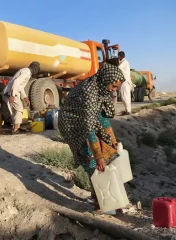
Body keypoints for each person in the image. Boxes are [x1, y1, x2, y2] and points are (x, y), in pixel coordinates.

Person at [58, 63, 125, 213]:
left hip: (87, 120)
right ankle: (100, 202)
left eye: (116, 87)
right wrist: (98, 155)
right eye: (113, 86)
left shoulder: (102, 89)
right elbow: (88, 128)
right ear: (106, 80)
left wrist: (112, 141)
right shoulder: (89, 92)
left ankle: (107, 199)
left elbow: (102, 118)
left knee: (104, 158)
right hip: (72, 123)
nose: (114, 90)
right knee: (91, 160)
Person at [3, 61, 40, 133]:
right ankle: (16, 129)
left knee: (14, 112)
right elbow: (16, 82)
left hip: (8, 92)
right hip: (12, 92)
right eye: (37, 69)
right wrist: (12, 95)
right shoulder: (27, 73)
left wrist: (25, 97)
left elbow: (20, 86)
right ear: (35, 68)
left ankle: (15, 128)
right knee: (19, 109)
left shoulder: (25, 71)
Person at [118, 51, 134, 115]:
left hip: (125, 82)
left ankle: (128, 111)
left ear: (120, 56)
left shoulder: (125, 62)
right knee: (123, 97)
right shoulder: (122, 62)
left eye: (118, 56)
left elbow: (119, 68)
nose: (118, 57)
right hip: (123, 82)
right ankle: (127, 110)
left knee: (126, 96)